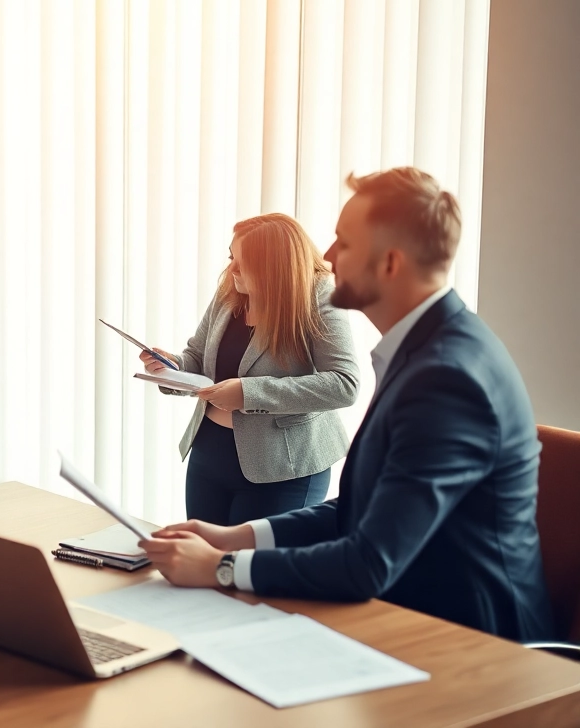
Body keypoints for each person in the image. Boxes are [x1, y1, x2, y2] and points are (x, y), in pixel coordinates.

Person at [141, 168, 554, 642]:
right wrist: (237, 538)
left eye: (344, 242)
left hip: (473, 643)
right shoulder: (429, 349)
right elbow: (367, 511)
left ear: (391, 263)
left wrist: (222, 567)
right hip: (418, 617)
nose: (329, 258)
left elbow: (367, 562)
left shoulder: (447, 378)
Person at [141, 214, 359, 525]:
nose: (232, 269)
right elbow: (198, 357)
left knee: (250, 571)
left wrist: (248, 394)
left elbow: (343, 384)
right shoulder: (231, 292)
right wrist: (172, 368)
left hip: (284, 467)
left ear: (277, 265)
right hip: (209, 454)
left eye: (245, 262)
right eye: (232, 256)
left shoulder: (318, 293)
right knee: (205, 566)